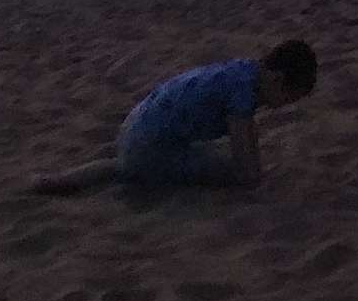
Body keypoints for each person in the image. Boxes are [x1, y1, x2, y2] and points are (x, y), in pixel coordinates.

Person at [29, 38, 318, 194]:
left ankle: (58, 181)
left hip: (136, 128)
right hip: (151, 143)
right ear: (278, 80)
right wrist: (253, 178)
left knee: (123, 166)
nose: (284, 105)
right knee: (223, 172)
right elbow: (245, 154)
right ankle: (59, 183)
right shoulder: (242, 90)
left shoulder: (242, 71)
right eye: (290, 97)